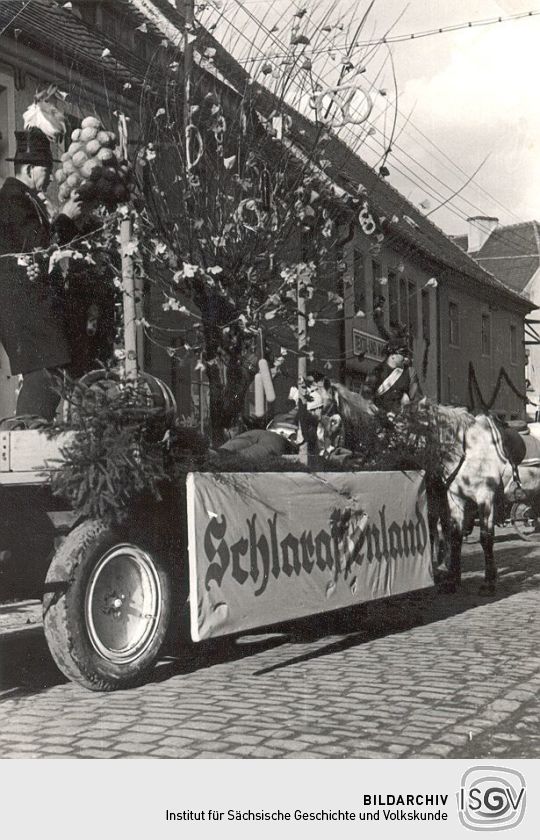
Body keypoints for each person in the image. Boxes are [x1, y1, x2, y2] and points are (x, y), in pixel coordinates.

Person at [0, 127, 82, 420]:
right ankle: (23, 442)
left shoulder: (23, 197)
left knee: (51, 373)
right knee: (48, 374)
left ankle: (28, 437)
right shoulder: (13, 198)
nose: (49, 178)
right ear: (31, 169)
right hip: (26, 308)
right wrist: (65, 218)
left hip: (28, 307)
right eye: (46, 170)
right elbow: (38, 245)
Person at [363, 338, 422, 416]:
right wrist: (373, 408)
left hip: (402, 419)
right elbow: (366, 396)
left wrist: (407, 402)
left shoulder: (410, 373)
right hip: (380, 418)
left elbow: (415, 397)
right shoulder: (377, 372)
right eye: (403, 354)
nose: (406, 358)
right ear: (393, 356)